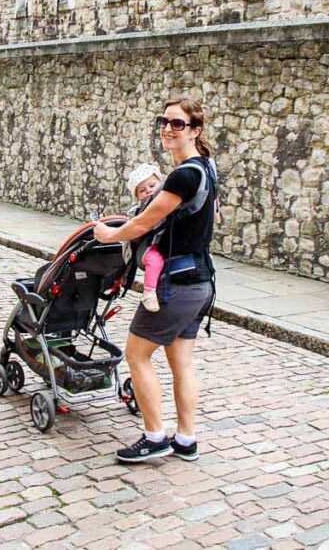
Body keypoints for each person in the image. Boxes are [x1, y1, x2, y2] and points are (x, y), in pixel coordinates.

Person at [92, 98, 218, 464]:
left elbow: (144, 222)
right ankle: (186, 439)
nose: (167, 128)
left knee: (136, 354)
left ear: (194, 130)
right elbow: (213, 216)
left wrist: (108, 235)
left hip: (176, 284)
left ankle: (154, 436)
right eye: (164, 122)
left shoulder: (182, 175)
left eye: (177, 124)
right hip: (201, 279)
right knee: (181, 361)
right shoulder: (207, 169)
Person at [125, 163, 166, 312]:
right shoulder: (138, 210)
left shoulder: (168, 201)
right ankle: (149, 291)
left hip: (169, 242)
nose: (148, 191)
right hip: (149, 246)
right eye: (142, 190)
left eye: (152, 185)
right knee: (154, 259)